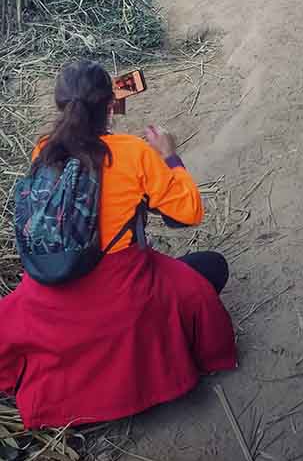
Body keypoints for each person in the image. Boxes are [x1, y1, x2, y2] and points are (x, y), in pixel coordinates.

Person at [0, 61, 236, 428]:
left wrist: (107, 123)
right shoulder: (134, 153)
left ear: (62, 105)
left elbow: (90, 155)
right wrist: (168, 155)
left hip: (54, 290)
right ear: (110, 105)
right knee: (211, 268)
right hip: (124, 291)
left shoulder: (42, 152)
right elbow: (188, 213)